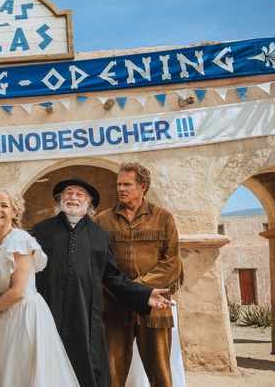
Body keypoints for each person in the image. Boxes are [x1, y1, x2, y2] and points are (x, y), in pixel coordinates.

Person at [32, 177, 174, 387]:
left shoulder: (100, 235)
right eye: (68, 193)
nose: (73, 197)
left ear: (88, 202)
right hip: (48, 313)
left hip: (86, 318)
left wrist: (144, 295)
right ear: (60, 198)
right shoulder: (41, 230)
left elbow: (112, 277)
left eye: (80, 194)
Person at [0, 188, 80, 386]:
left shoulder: (20, 241)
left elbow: (18, 291)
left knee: (23, 374)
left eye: (4, 206)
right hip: (0, 319)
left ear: (14, 212)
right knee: (4, 374)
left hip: (24, 316)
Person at [94, 162, 183, 387]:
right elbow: (98, 265)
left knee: (160, 375)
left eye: (127, 184)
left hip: (155, 307)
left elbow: (172, 264)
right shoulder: (103, 220)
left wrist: (136, 290)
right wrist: (129, 292)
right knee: (110, 375)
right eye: (118, 184)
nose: (121, 189)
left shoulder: (163, 217)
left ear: (143, 187)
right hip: (114, 306)